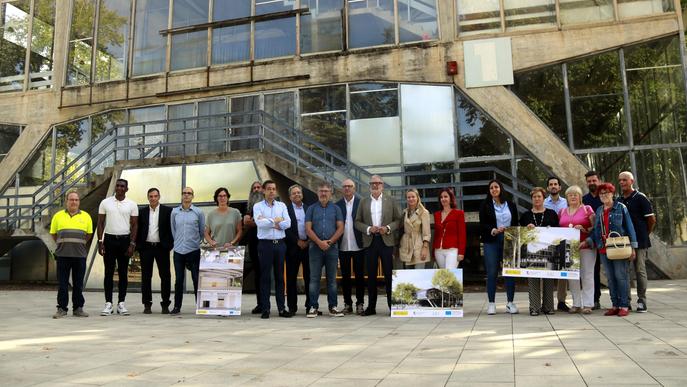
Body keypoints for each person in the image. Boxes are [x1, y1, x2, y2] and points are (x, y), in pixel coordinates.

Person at [581, 182, 637, 317]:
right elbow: (595, 231)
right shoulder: (599, 210)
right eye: (601, 193)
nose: (604, 195)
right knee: (611, 278)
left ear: (612, 194)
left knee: (621, 276)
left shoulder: (620, 207)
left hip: (619, 247)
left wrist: (633, 247)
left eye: (607, 192)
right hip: (603, 248)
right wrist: (587, 241)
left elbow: (629, 227)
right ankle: (615, 305)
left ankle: (624, 305)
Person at [354, 174, 402, 316]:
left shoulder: (391, 201)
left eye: (378, 183)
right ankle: (371, 307)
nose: (375, 185)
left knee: (388, 275)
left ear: (382, 185)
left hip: (386, 241)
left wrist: (387, 228)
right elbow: (357, 222)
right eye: (372, 183)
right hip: (370, 242)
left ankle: (392, 307)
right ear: (369, 185)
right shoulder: (363, 202)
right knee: (371, 276)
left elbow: (398, 220)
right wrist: (369, 229)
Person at [97, 178, 138, 316]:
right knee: (108, 273)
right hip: (109, 240)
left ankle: (121, 303)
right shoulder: (105, 203)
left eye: (122, 186)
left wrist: (132, 243)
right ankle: (108, 303)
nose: (120, 188)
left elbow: (134, 225)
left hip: (124, 240)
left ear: (127, 189)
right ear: (115, 187)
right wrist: (99, 241)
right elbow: (100, 223)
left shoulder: (132, 204)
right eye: (118, 186)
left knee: (123, 273)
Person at [50, 191, 93, 318]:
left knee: (78, 283)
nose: (74, 202)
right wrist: (62, 243)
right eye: (71, 199)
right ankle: (62, 308)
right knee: (62, 284)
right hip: (62, 255)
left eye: (76, 200)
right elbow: (53, 234)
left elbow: (89, 234)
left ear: (79, 201)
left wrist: (80, 243)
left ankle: (78, 308)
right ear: (66, 201)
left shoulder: (86, 216)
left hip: (79, 256)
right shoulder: (58, 216)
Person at [617, 171, 656, 313]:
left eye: (625, 180)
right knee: (624, 271)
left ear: (632, 181)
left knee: (639, 270)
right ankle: (626, 301)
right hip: (623, 241)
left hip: (640, 240)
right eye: (620, 180)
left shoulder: (641, 198)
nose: (622, 182)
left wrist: (645, 234)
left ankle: (642, 300)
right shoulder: (619, 200)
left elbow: (651, 219)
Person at [479, 179, 519, 315]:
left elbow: (516, 222)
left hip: (509, 240)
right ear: (489, 191)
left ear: (501, 188)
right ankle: (491, 303)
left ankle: (510, 303)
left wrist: (510, 231)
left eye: (496, 187)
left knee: (509, 271)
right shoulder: (485, 205)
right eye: (491, 188)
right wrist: (494, 230)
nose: (494, 190)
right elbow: (482, 224)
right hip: (492, 240)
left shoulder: (511, 205)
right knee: (492, 272)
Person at [253, 180, 292, 319]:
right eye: (269, 189)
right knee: (265, 277)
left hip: (280, 244)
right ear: (263, 190)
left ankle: (282, 308)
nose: (271, 191)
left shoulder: (281, 205)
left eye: (274, 189)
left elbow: (288, 223)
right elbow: (259, 223)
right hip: (265, 245)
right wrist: (275, 220)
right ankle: (265, 309)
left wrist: (268, 220)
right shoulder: (257, 206)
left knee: (280, 277)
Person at [306, 182, 345, 318]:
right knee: (314, 279)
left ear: (331, 193)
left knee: (332, 280)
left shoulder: (336, 209)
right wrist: (319, 242)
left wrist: (329, 242)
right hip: (315, 248)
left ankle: (333, 307)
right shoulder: (311, 209)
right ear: (317, 192)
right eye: (321, 191)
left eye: (326, 191)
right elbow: (308, 229)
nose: (323, 193)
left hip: (332, 248)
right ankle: (313, 307)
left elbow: (340, 228)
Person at [519, 187, 558, 316]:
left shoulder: (552, 214)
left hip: (549, 251)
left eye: (539, 196)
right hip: (532, 252)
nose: (537, 199)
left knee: (548, 279)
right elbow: (520, 234)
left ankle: (548, 306)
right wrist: (526, 228)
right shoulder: (525, 215)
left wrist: (550, 229)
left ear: (543, 198)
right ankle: (534, 307)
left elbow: (559, 232)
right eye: (534, 197)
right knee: (533, 278)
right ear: (531, 199)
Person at [558, 185, 596, 314]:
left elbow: (595, 228)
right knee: (572, 276)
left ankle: (588, 304)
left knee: (587, 275)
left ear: (580, 197)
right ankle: (576, 304)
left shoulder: (587, 209)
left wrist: (585, 230)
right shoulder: (562, 211)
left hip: (585, 246)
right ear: (567, 198)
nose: (573, 196)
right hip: (569, 248)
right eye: (570, 195)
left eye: (576, 194)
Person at [136, 188, 173, 314]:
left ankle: (165, 304)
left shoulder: (168, 211)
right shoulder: (142, 212)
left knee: (165, 276)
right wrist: (138, 246)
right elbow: (138, 229)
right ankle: (147, 304)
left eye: (155, 196)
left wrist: (169, 245)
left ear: (159, 197)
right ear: (148, 197)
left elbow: (171, 229)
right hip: (146, 248)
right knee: (146, 277)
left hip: (162, 248)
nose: (153, 198)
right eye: (151, 196)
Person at [170, 187, 205, 315]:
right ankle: (177, 306)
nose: (186, 195)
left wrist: (195, 242)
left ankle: (199, 306)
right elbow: (173, 230)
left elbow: (201, 231)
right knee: (179, 280)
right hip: (179, 250)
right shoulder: (174, 212)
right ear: (181, 196)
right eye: (184, 193)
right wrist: (178, 242)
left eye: (189, 193)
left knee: (196, 279)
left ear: (193, 196)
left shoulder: (198, 212)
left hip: (193, 250)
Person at [336, 179, 365, 315]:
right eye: (345, 186)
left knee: (359, 276)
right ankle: (347, 304)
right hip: (343, 246)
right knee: (345, 277)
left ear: (354, 188)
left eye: (349, 186)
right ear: (342, 189)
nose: (347, 188)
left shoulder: (361, 203)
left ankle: (360, 303)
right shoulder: (337, 205)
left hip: (359, 245)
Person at [544, 176, 570, 312]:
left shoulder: (567, 203)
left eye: (555, 184)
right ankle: (546, 301)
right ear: (548, 188)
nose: (553, 186)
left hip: (563, 239)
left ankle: (561, 301)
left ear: (559, 187)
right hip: (547, 240)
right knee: (546, 269)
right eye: (550, 184)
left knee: (562, 270)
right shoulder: (542, 203)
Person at [285, 184, 311, 315]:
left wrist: (307, 241)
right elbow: (286, 228)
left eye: (299, 193)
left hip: (308, 247)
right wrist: (297, 241)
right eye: (294, 193)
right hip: (293, 248)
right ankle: (292, 307)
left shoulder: (309, 208)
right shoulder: (286, 210)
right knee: (291, 278)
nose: (297, 195)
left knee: (309, 277)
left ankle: (310, 306)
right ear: (290, 197)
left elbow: (313, 226)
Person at [582, 171, 603, 310]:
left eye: (594, 180)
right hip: (591, 239)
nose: (592, 183)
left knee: (612, 269)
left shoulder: (605, 196)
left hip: (606, 239)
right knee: (592, 271)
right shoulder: (584, 200)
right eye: (589, 181)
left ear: (599, 181)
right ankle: (595, 300)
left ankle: (621, 300)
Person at [432, 188, 466, 269]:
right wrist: (433, 251)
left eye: (445, 196)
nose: (443, 199)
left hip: (452, 250)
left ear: (451, 198)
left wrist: (461, 252)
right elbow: (436, 234)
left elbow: (462, 234)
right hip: (438, 251)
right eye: (441, 197)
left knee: (449, 275)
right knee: (444, 277)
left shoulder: (459, 213)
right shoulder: (436, 215)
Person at [243, 181, 264, 314]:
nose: (256, 190)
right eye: (254, 188)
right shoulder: (249, 208)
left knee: (266, 274)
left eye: (258, 187)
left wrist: (255, 222)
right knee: (257, 274)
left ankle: (267, 303)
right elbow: (246, 223)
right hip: (253, 243)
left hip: (265, 243)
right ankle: (260, 304)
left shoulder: (268, 206)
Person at [399, 188, 431, 270]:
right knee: (408, 277)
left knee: (419, 275)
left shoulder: (424, 212)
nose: (411, 199)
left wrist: (425, 248)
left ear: (417, 197)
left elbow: (426, 233)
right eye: (408, 197)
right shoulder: (404, 212)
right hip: (406, 247)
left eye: (413, 196)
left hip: (419, 246)